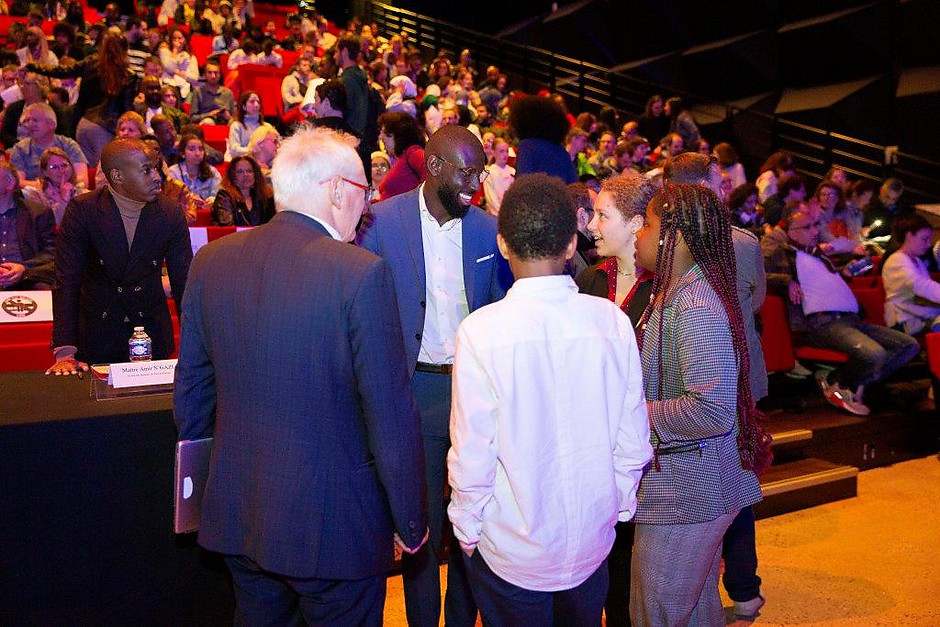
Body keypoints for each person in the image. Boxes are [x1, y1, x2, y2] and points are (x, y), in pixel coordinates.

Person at [173, 125, 427, 624]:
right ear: (336, 191)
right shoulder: (361, 273)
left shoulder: (211, 261)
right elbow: (389, 415)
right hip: (335, 529)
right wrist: (411, 520)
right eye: (363, 192)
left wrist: (205, 494)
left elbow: (192, 396)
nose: (368, 205)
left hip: (239, 515)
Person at [448, 173, 652, 625]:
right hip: (590, 545)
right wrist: (614, 507)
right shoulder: (611, 322)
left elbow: (473, 451)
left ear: (503, 245)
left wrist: (467, 527)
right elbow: (632, 438)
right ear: (568, 246)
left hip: (513, 549)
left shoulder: (480, 332)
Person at [360, 124, 511, 627]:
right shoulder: (381, 222)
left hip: (474, 392)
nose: (475, 182)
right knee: (419, 524)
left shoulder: (490, 230)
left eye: (481, 171)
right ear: (435, 166)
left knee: (473, 521)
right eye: (467, 171)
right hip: (414, 390)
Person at [631, 183, 769, 625]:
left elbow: (710, 409)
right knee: (693, 613)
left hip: (691, 489)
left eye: (648, 224)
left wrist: (629, 415)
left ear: (676, 236)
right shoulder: (674, 293)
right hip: (685, 481)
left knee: (657, 615)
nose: (639, 233)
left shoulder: (694, 304)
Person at [573, 176, 654, 626]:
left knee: (630, 568)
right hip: (590, 443)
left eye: (604, 215)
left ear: (637, 223)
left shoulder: (664, 289)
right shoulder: (589, 278)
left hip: (641, 448)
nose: (593, 226)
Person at [46, 137, 192, 375]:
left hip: (152, 336)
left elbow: (183, 282)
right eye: (146, 170)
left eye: (156, 168)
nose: (157, 177)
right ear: (117, 176)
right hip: (97, 338)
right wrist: (65, 351)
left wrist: (198, 347)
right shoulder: (82, 211)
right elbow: (66, 282)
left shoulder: (170, 213)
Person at [763, 206, 920, 414]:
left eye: (815, 225)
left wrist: (845, 272)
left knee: (909, 345)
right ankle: (839, 381)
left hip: (852, 320)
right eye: (807, 227)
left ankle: (850, 382)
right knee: (875, 355)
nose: (815, 230)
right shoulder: (784, 253)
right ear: (791, 232)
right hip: (823, 323)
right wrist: (787, 280)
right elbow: (757, 272)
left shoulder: (819, 256)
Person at [27, 31, 141, 167]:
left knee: (87, 171)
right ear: (125, 50)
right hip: (105, 128)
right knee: (108, 172)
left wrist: (33, 66)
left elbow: (62, 71)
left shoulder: (91, 62)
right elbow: (126, 108)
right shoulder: (128, 75)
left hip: (83, 124)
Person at [0, 159, 56, 290]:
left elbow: (52, 252)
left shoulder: (38, 212)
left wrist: (24, 267)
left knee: (44, 289)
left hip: (27, 277)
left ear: (10, 183)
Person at [882, 214, 940, 335]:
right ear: (909, 236)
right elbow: (923, 287)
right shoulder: (897, 260)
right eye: (925, 239)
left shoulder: (915, 260)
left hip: (920, 317)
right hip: (907, 322)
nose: (929, 244)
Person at [10, 102, 88, 190]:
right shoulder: (20, 149)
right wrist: (49, 187)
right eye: (27, 120)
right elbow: (18, 182)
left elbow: (83, 180)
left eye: (35, 120)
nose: (30, 124)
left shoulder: (69, 145)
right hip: (34, 200)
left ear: (51, 124)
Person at [510, 95, 577, 184]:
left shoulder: (527, 146)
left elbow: (522, 182)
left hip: (536, 196)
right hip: (561, 195)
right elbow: (573, 183)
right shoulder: (561, 150)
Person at [22, 146, 83, 225]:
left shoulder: (81, 192)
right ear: (45, 172)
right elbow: (54, 223)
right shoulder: (35, 195)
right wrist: (63, 200)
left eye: (64, 165)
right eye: (54, 167)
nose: (62, 170)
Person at [211, 154, 274, 226]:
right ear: (232, 176)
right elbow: (226, 226)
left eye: (249, 171)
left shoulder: (265, 195)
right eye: (240, 172)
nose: (245, 175)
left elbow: (273, 224)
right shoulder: (224, 196)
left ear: (255, 175)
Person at [376, 110, 425, 201]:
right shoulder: (403, 158)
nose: (381, 137)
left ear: (397, 135)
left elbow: (431, 174)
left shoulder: (413, 152)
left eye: (384, 132)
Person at [168, 134, 221, 204]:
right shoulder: (173, 172)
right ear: (182, 153)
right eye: (191, 149)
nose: (197, 153)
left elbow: (219, 194)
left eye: (200, 149)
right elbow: (171, 198)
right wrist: (188, 198)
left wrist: (213, 199)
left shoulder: (212, 171)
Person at [227, 91, 274, 160]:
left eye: (258, 102)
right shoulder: (236, 126)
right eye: (252, 102)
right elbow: (233, 150)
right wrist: (251, 150)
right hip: (244, 162)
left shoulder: (267, 126)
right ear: (244, 106)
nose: (256, 105)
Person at [188, 60, 235, 125]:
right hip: (207, 123)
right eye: (210, 73)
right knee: (208, 121)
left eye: (216, 73)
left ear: (220, 75)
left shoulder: (228, 93)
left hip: (225, 122)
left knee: (234, 124)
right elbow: (192, 118)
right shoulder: (198, 92)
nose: (213, 76)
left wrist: (228, 117)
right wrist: (209, 114)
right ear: (205, 75)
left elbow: (235, 116)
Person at [159, 27, 200, 100]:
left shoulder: (191, 57)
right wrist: (175, 51)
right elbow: (169, 67)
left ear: (185, 40)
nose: (176, 41)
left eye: (179, 38)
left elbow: (194, 78)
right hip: (167, 87)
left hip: (184, 90)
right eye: (174, 38)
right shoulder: (165, 52)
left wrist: (181, 74)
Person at [482, 137, 513, 216]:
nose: (505, 155)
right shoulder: (489, 172)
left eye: (507, 151)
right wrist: (502, 215)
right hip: (497, 217)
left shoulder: (513, 171)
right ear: (493, 152)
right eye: (501, 151)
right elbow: (491, 199)